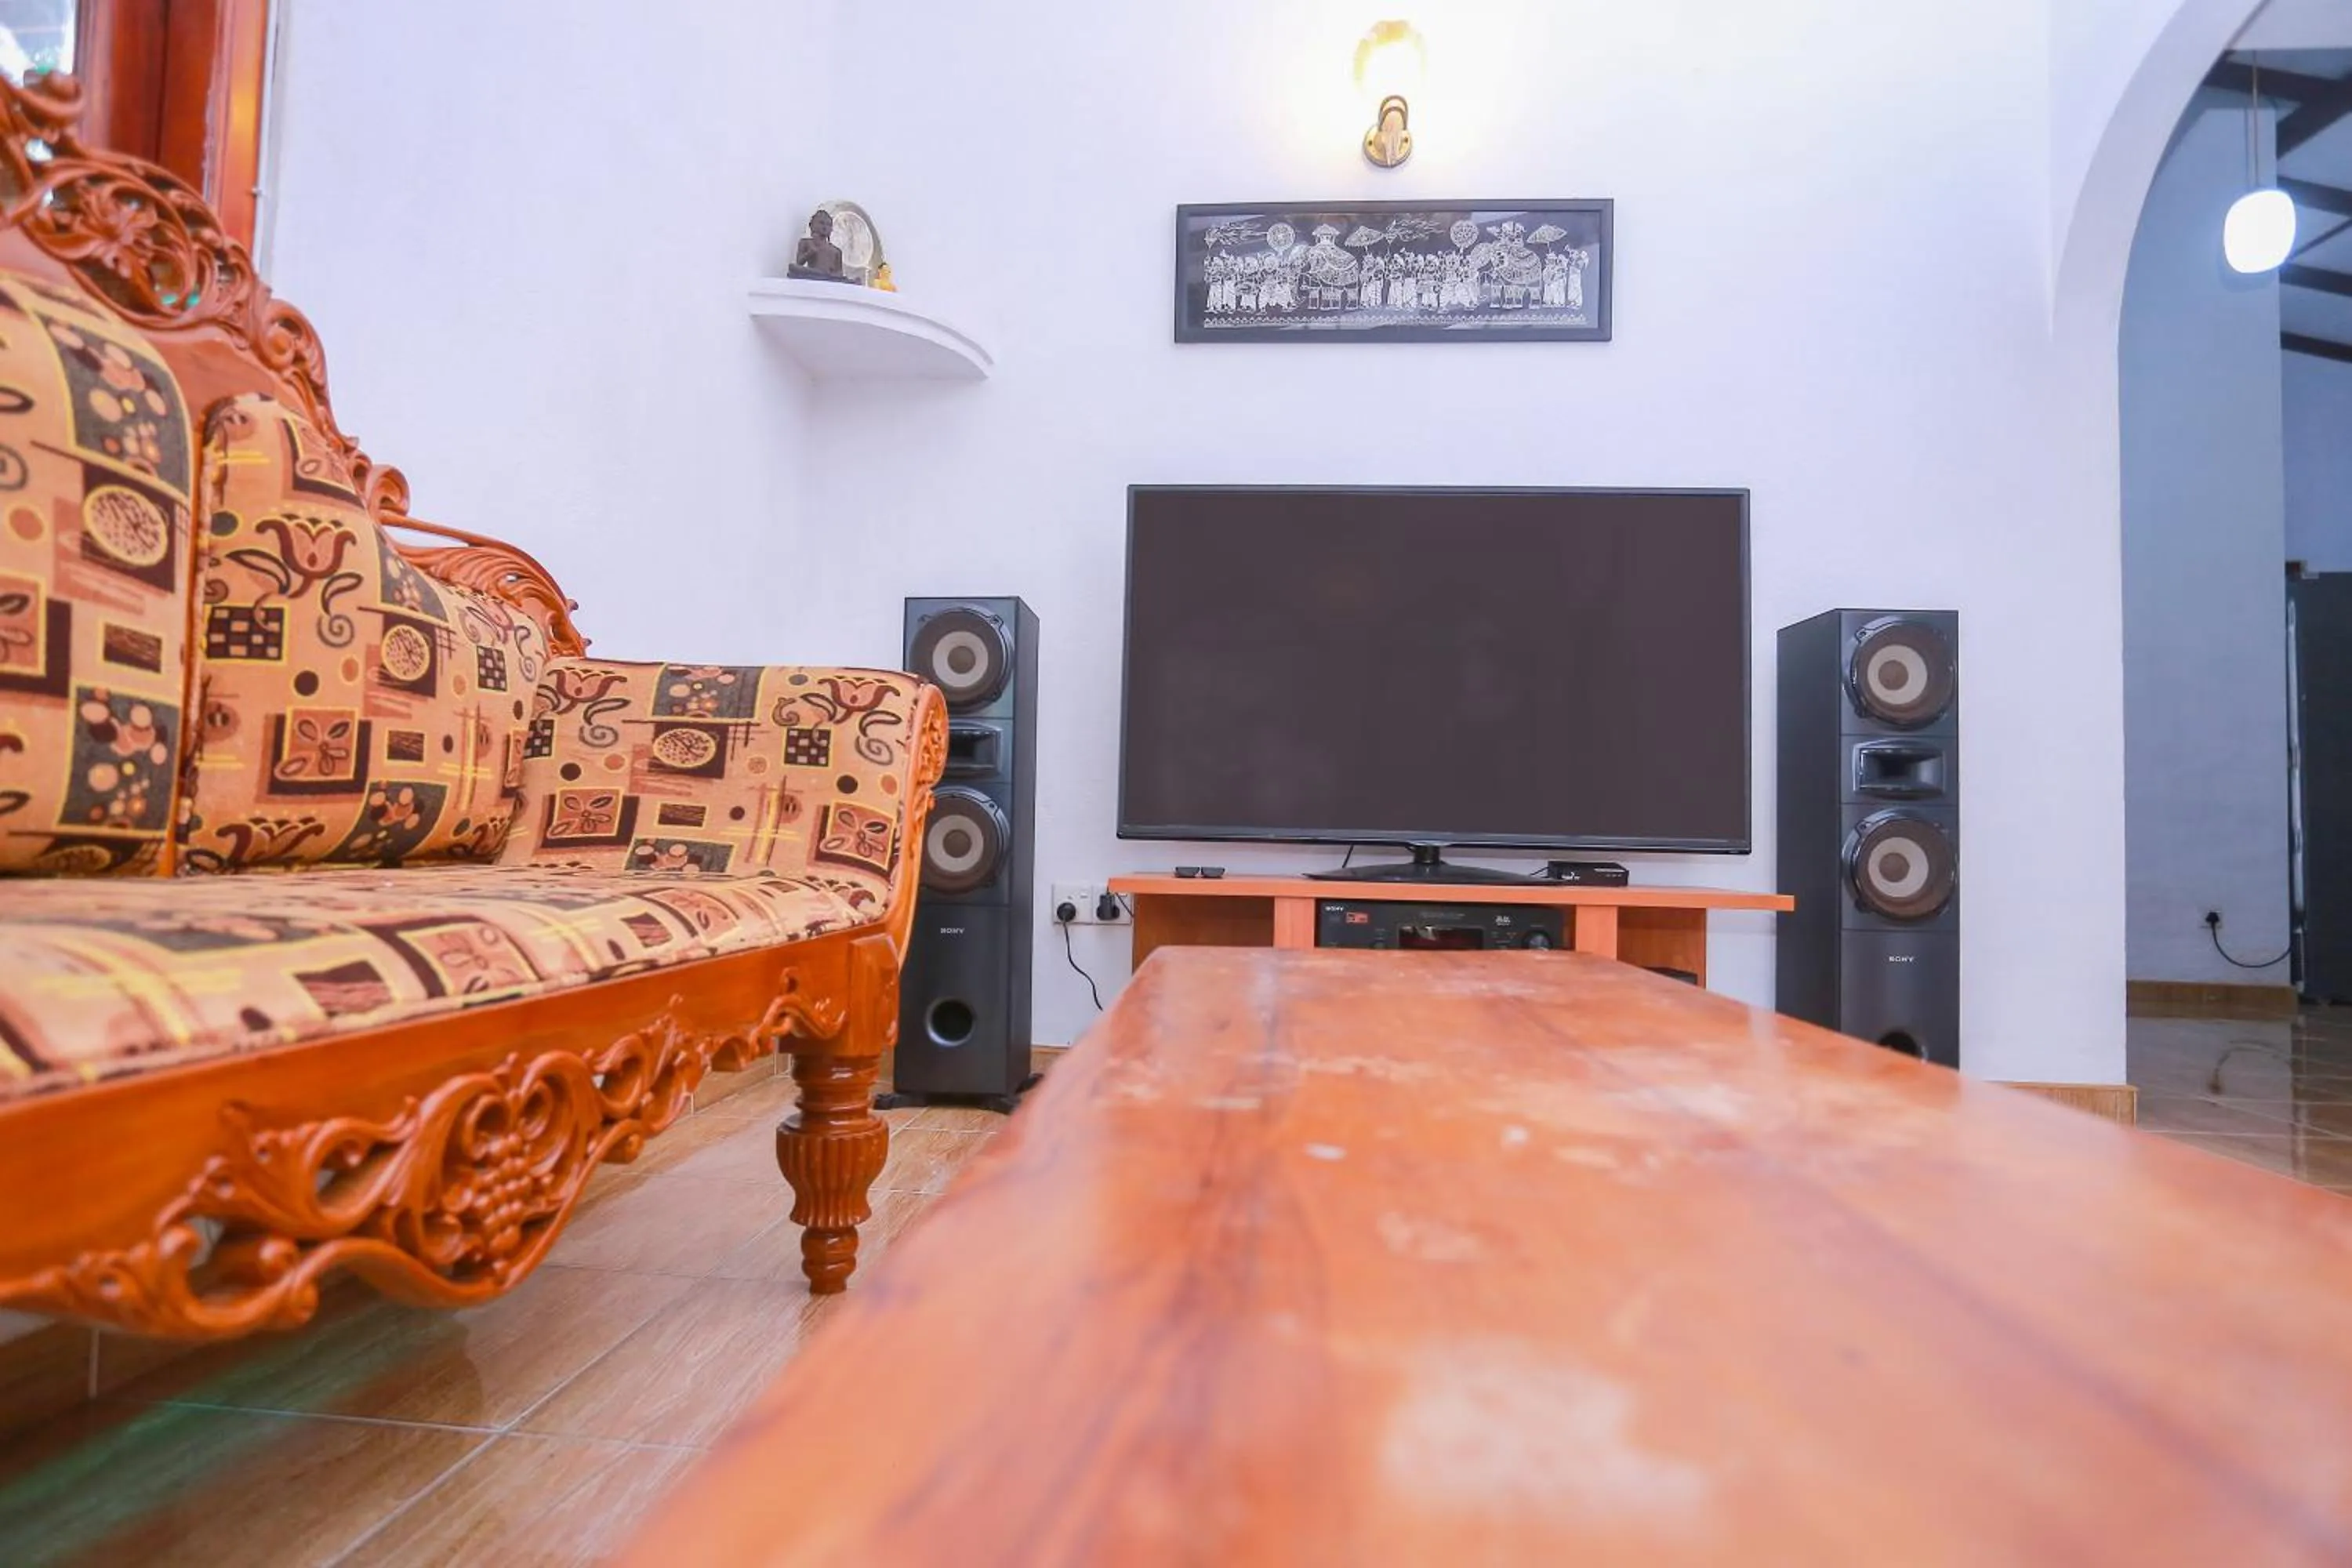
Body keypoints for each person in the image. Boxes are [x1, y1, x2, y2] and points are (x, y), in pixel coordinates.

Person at [789, 209, 844, 281]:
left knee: (836, 278)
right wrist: (810, 253)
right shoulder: (806, 242)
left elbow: (839, 272)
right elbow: (799, 262)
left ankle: (824, 275)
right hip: (813, 273)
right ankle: (823, 275)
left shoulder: (836, 251)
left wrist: (834, 275)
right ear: (812, 225)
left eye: (828, 225)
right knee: (793, 267)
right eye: (821, 223)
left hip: (829, 276)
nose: (825, 227)